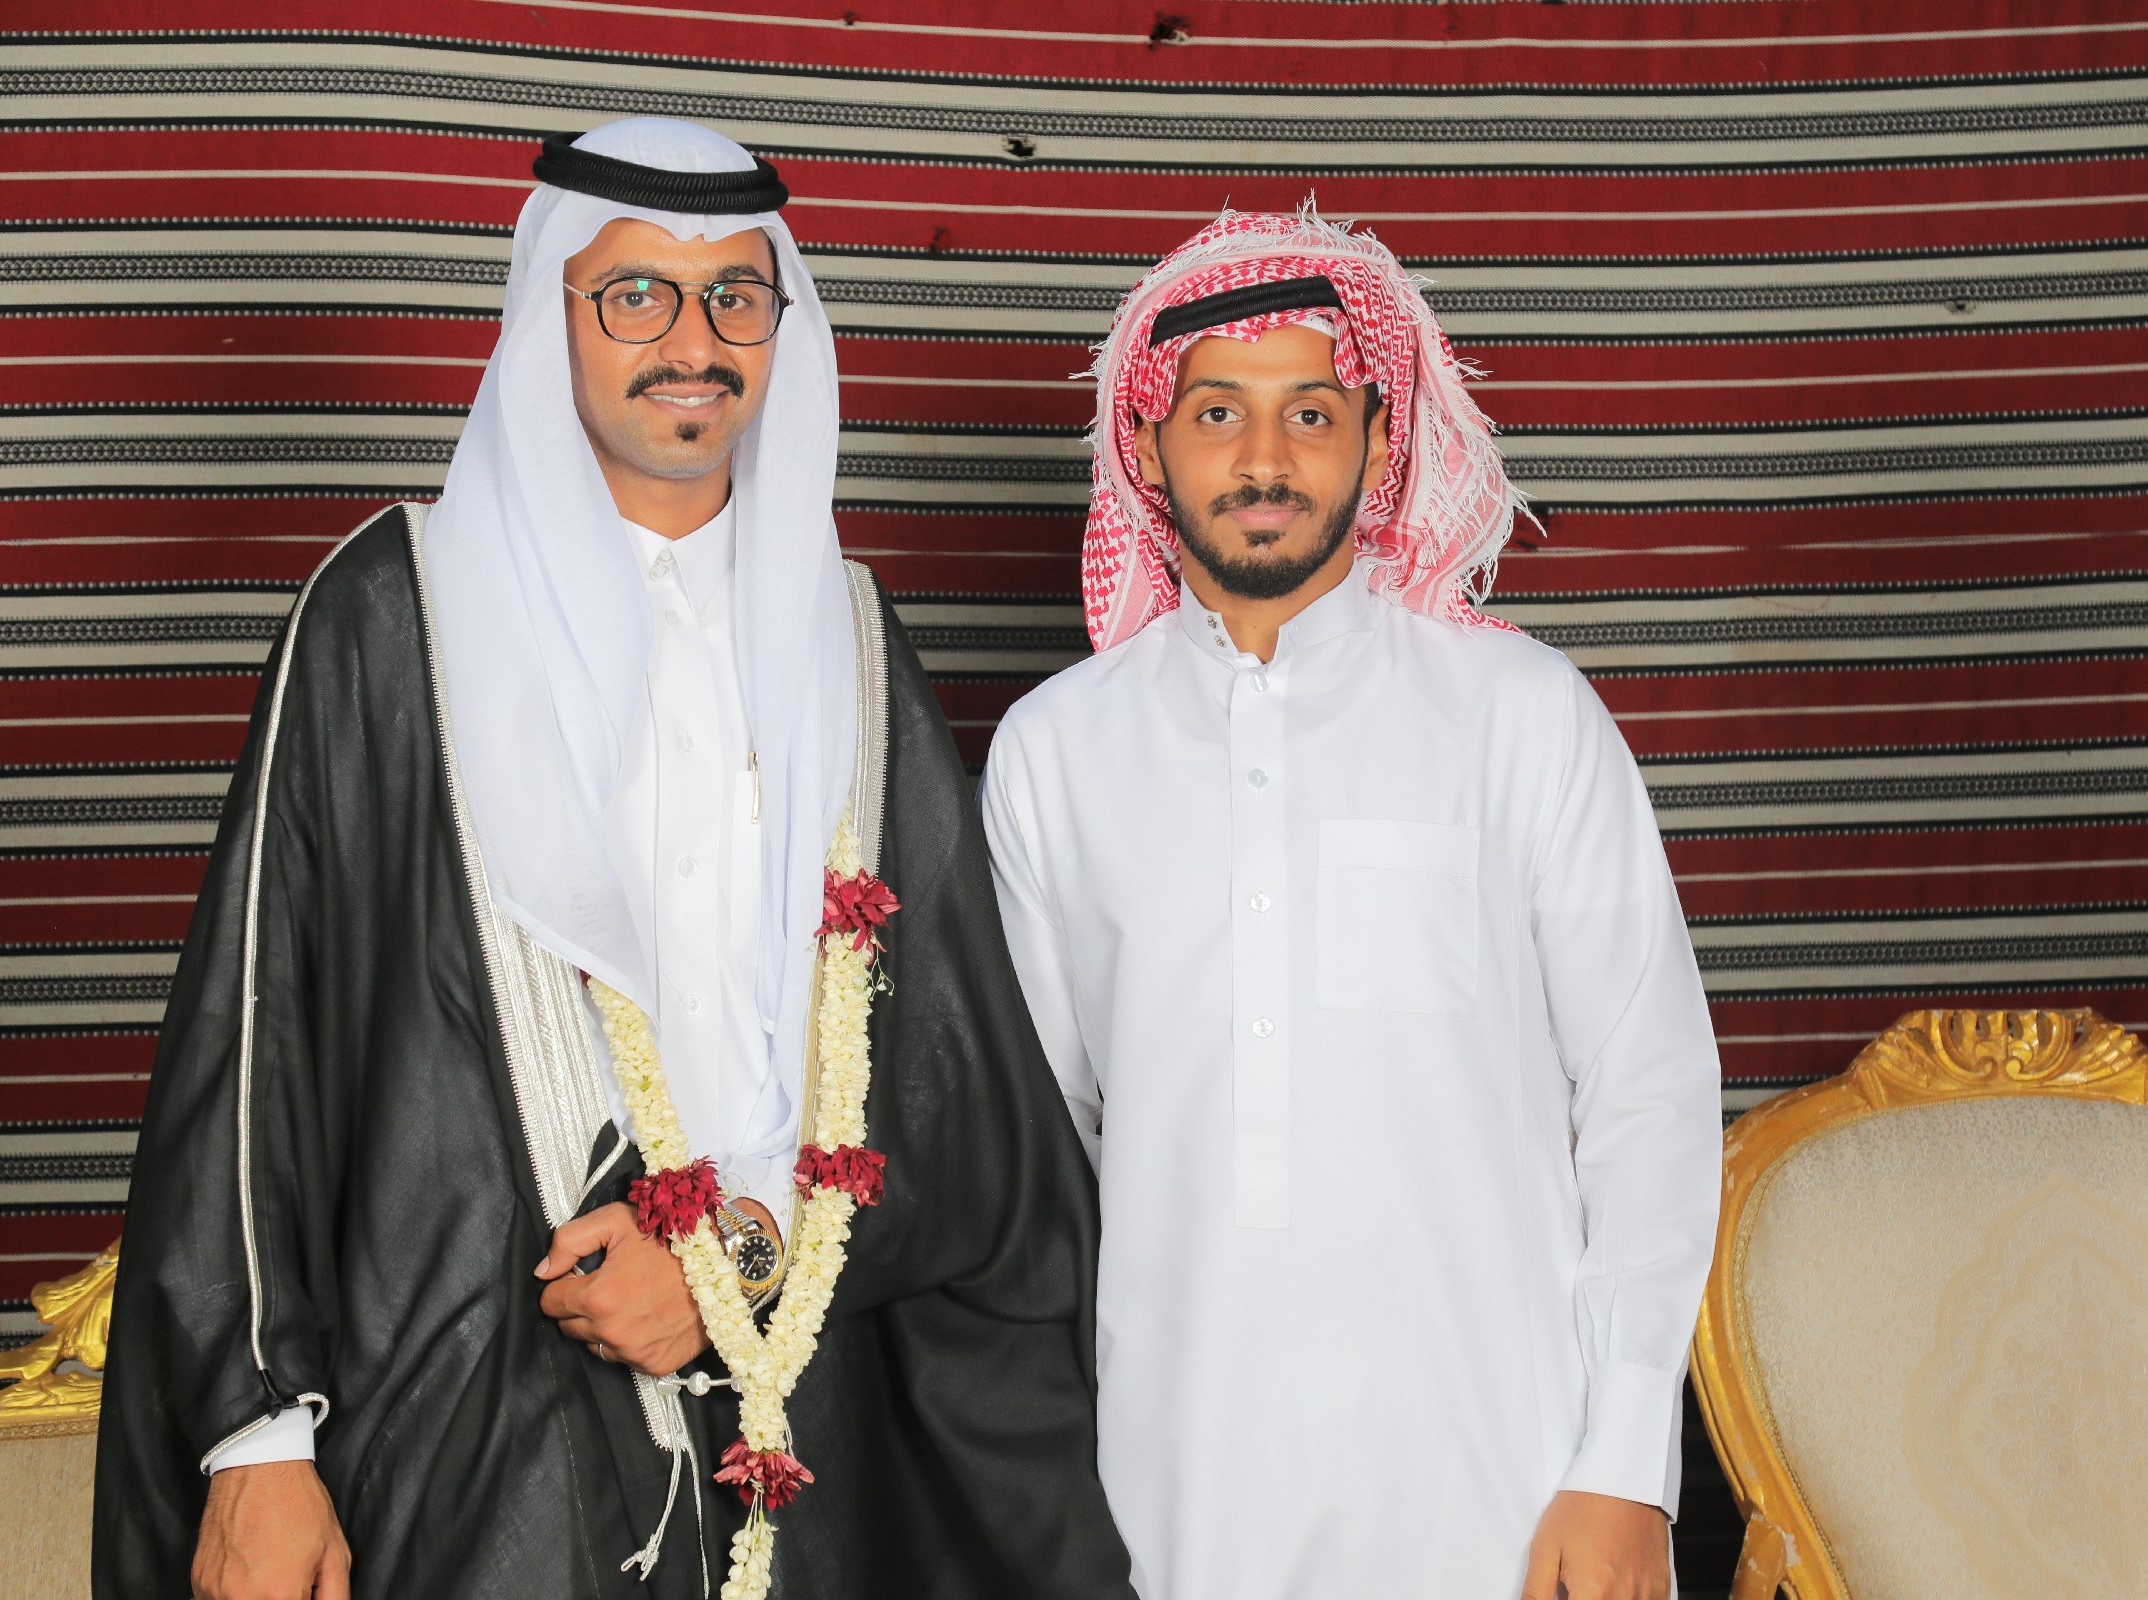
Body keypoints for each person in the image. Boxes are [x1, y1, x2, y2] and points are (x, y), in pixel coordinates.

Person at [96, 118, 1134, 1600]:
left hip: (808, 1420)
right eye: (635, 293)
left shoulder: (848, 646)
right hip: (472, 1413)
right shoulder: (393, 616)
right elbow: (253, 1040)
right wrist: (255, 1435)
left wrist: (743, 1254)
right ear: (552, 317)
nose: (690, 342)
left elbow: (962, 1090)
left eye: (733, 296)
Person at [979, 209, 1722, 1600]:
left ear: (1381, 442)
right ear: (1147, 443)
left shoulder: (1521, 715)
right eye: (1217, 413)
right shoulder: (1056, 753)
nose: (1264, 459)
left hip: (1512, 1490)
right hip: (1174, 1492)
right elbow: (1039, 1157)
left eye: (1310, 413)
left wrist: (1628, 1462)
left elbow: (1651, 1095)